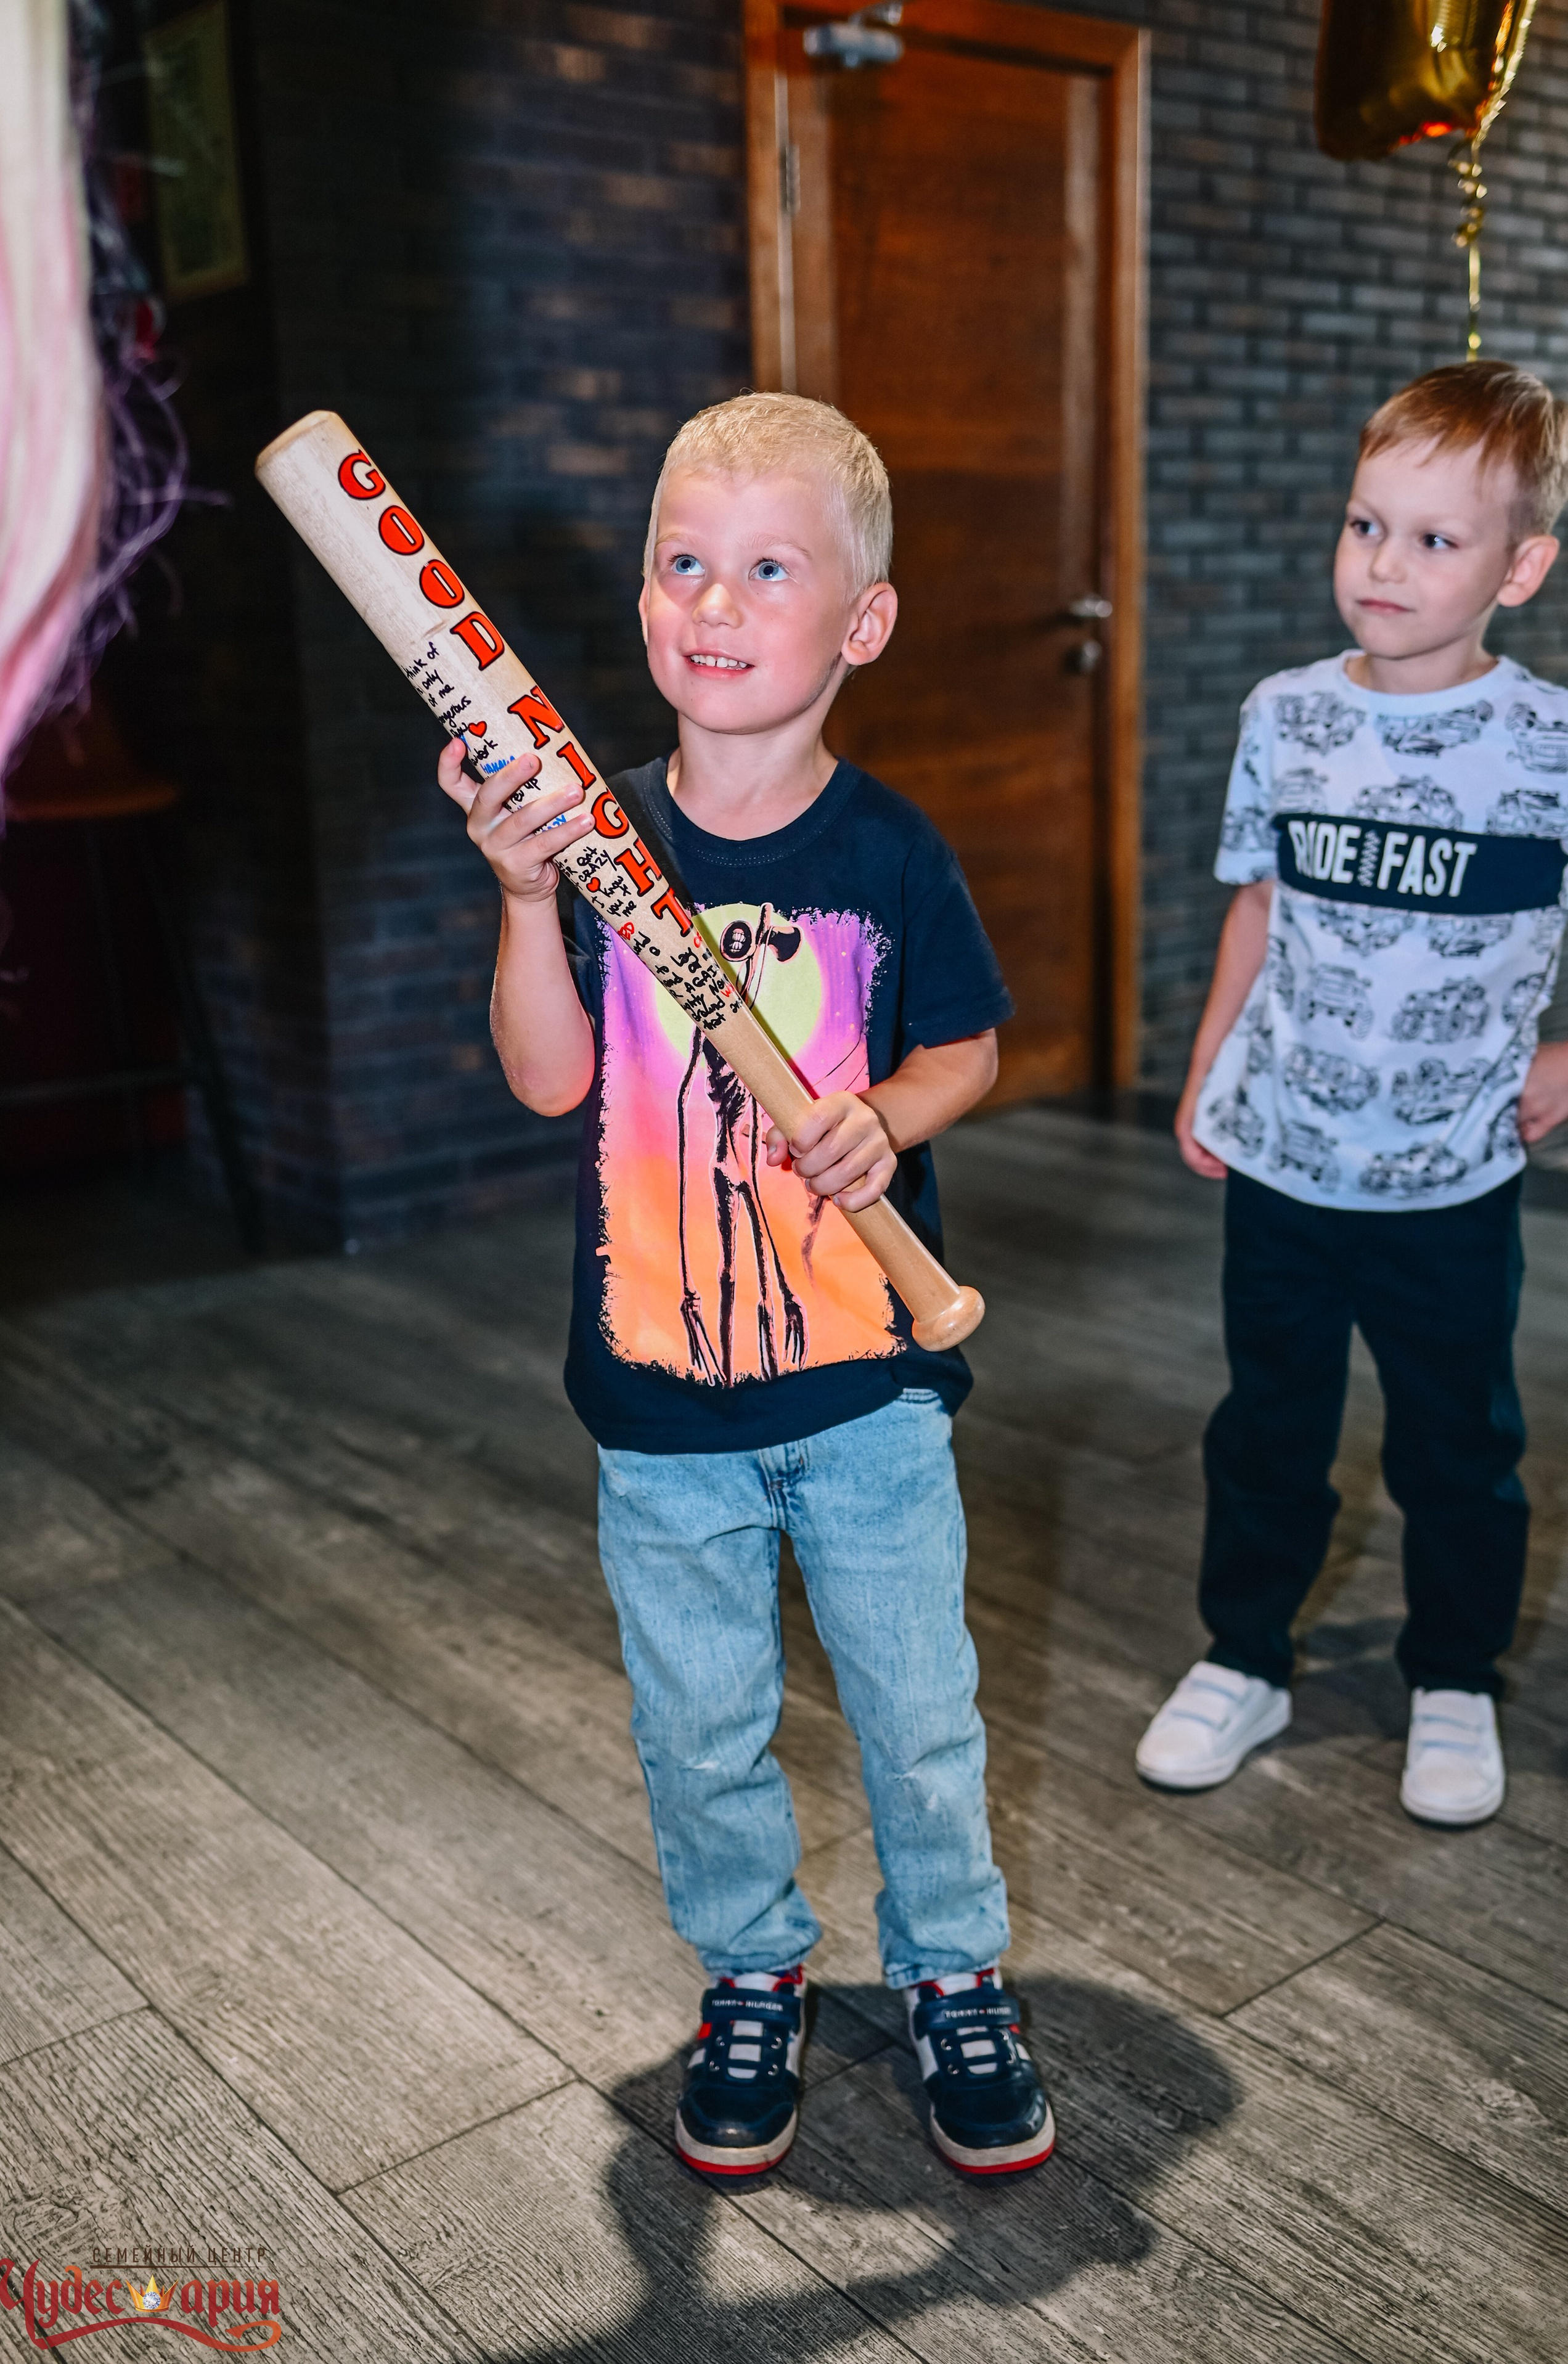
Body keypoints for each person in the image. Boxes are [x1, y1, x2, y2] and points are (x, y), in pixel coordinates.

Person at [439, 393, 1054, 2179]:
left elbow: (968, 1047)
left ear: (858, 620)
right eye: (683, 562)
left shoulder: (888, 852)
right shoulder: (597, 842)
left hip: (866, 1387)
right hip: (658, 1407)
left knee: (917, 1710)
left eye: (767, 566)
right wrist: (519, 897)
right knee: (699, 1725)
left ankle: (955, 1973)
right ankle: (753, 1969)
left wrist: (886, 1114)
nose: (715, 596)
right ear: (645, 610)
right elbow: (551, 1078)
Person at [1136, 359, 1568, 1827]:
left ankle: (1452, 1677)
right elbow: (1257, 908)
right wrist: (1206, 1068)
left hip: (1448, 1182)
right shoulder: (1287, 716)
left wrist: (1564, 1064)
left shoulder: (1548, 745)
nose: (1382, 564)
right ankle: (1243, 1654)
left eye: (1432, 540)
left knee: (1459, 1444)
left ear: (1519, 567)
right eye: (1363, 524)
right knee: (1267, 1427)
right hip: (1283, 1162)